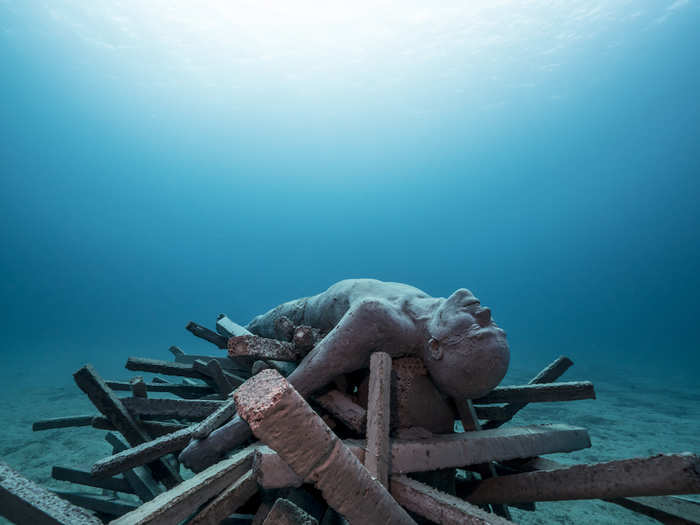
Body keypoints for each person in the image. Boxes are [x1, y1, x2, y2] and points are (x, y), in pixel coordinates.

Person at [179, 278, 510, 471]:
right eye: (494, 326)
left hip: (304, 312)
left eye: (479, 330)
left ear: (436, 347)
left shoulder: (381, 320)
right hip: (319, 301)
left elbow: (304, 378)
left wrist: (218, 441)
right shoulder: (442, 311)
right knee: (255, 324)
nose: (486, 312)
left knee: (254, 327)